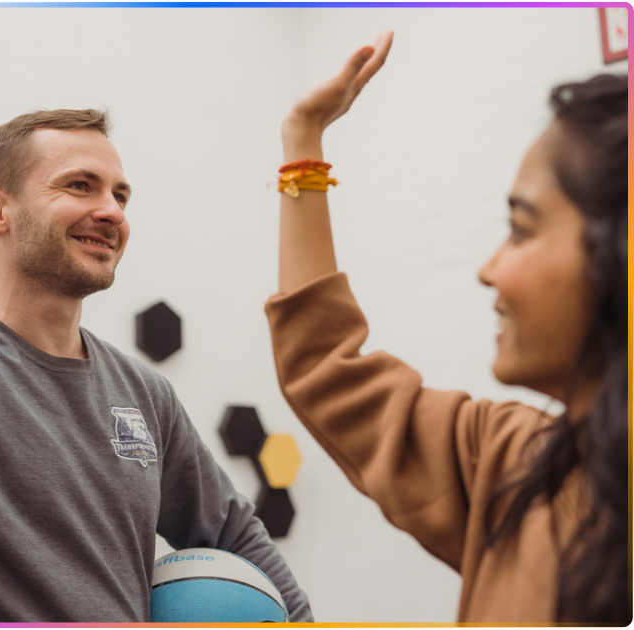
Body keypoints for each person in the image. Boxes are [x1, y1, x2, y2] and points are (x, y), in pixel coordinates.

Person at [0, 35, 312, 623]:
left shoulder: (144, 395)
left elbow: (236, 535)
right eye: (79, 185)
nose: (113, 210)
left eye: (120, 194)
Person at [265, 32, 629, 623]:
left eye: (521, 229)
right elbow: (328, 371)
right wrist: (303, 138)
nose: (489, 270)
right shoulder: (517, 466)